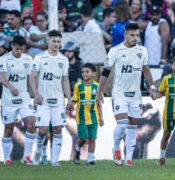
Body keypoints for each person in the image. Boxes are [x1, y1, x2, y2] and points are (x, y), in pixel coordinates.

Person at [96, 23, 156, 166]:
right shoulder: (115, 51)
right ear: (125, 35)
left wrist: (152, 87)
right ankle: (116, 148)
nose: (135, 38)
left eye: (137, 35)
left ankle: (128, 159)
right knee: (122, 124)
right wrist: (99, 92)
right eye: (132, 35)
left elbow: (146, 71)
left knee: (132, 128)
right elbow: (105, 72)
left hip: (135, 96)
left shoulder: (142, 51)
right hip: (119, 94)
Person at [30, 30, 73, 166]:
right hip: (43, 101)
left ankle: (54, 160)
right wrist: (36, 93)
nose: (56, 44)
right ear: (48, 41)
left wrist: (69, 99)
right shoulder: (40, 58)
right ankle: (38, 150)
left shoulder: (63, 60)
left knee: (58, 129)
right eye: (54, 41)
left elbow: (65, 80)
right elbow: (32, 77)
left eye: (59, 42)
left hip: (58, 101)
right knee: (42, 131)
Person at [0, 36, 36, 165]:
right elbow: (2, 77)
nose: (19, 52)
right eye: (17, 49)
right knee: (9, 129)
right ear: (12, 46)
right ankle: (6, 158)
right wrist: (11, 87)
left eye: (22, 49)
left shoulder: (27, 59)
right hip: (9, 100)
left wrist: (36, 94)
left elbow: (32, 78)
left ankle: (26, 157)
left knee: (32, 123)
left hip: (24, 98)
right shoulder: (4, 60)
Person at [72, 63, 104, 165]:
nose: (84, 74)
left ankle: (90, 160)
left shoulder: (97, 86)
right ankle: (77, 149)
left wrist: (101, 117)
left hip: (94, 117)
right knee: (84, 138)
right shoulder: (78, 86)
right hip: (81, 117)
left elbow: (99, 104)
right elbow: (74, 100)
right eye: (83, 72)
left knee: (92, 139)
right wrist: (71, 104)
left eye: (87, 72)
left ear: (94, 74)